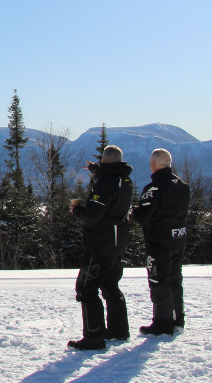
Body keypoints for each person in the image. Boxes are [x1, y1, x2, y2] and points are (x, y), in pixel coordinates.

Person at [68, 145, 134, 350]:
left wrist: (77, 209)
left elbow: (92, 216)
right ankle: (118, 330)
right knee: (110, 285)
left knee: (86, 288)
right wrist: (98, 170)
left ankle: (94, 337)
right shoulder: (126, 180)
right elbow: (112, 179)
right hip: (117, 241)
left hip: (99, 243)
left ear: (105, 161)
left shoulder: (104, 184)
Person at [131, 148, 190, 335]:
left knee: (159, 279)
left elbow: (143, 215)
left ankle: (163, 322)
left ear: (154, 164)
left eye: (150, 163)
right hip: (178, 237)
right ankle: (177, 319)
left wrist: (132, 211)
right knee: (175, 279)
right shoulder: (182, 185)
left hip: (160, 240)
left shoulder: (154, 188)